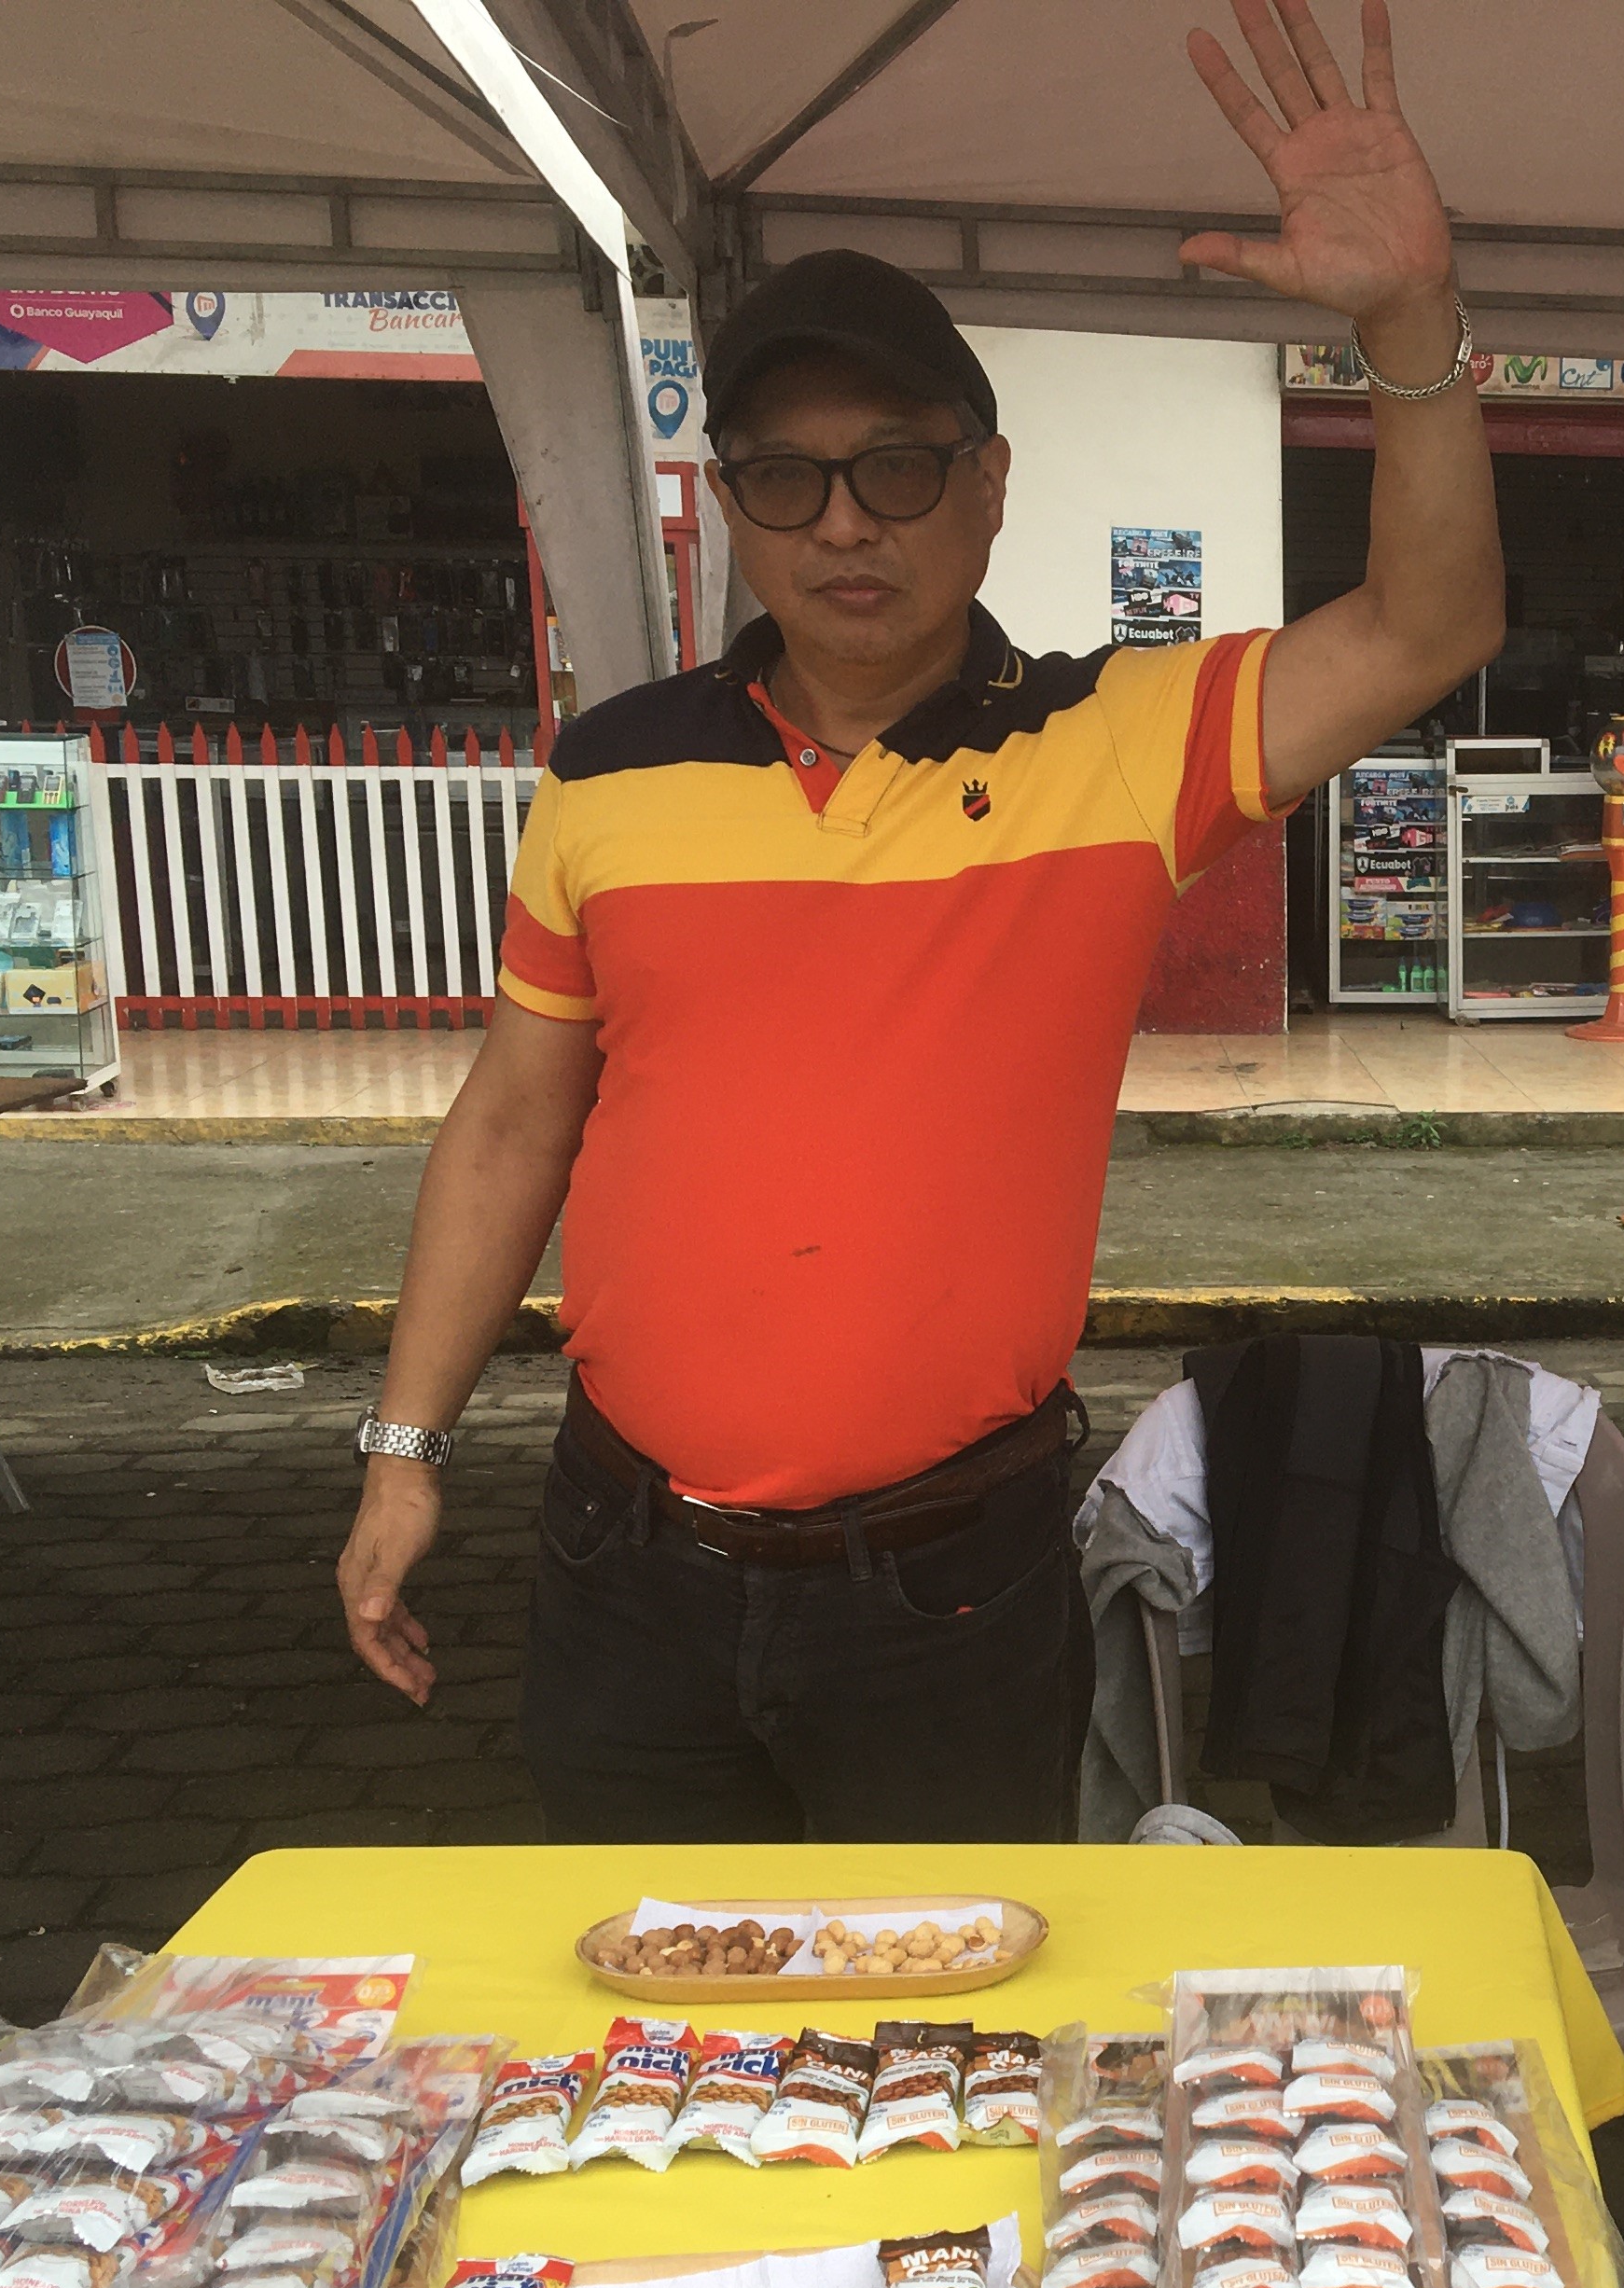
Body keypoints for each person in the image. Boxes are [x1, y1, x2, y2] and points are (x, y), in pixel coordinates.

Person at [332, 0, 1504, 1844]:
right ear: (732, 505)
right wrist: (405, 1453)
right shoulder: (611, 771)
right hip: (624, 1561)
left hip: (948, 1593)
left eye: (895, 466)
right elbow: (511, 1125)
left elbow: (1429, 626)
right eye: (784, 478)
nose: (842, 525)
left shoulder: (1114, 745)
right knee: (653, 2000)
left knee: (948, 2011)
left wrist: (1409, 326)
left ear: (988, 484)